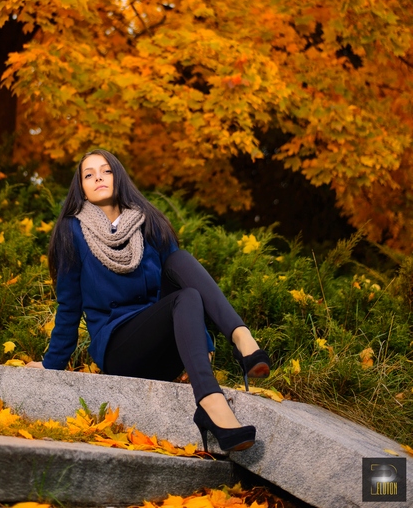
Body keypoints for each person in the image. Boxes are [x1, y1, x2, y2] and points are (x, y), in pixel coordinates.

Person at [26, 149, 271, 452]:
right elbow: (69, 307)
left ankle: (242, 339)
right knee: (185, 297)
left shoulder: (147, 221)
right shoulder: (71, 231)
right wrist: (51, 365)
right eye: (89, 175)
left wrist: (204, 342)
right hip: (120, 349)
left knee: (179, 261)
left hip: (160, 346)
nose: (98, 177)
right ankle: (212, 404)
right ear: (82, 189)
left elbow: (184, 283)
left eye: (106, 170)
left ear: (119, 176)